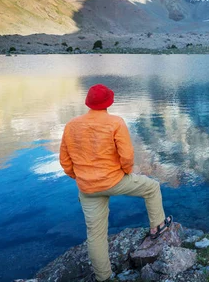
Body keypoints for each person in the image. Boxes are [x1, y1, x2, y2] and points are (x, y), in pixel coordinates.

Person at [59, 84, 171, 282]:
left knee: (95, 234)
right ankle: (157, 227)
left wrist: (79, 177)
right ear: (108, 102)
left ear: (89, 103)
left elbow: (65, 161)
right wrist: (126, 173)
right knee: (152, 188)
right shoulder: (115, 123)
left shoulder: (71, 125)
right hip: (114, 180)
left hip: (87, 188)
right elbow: (127, 156)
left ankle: (104, 277)